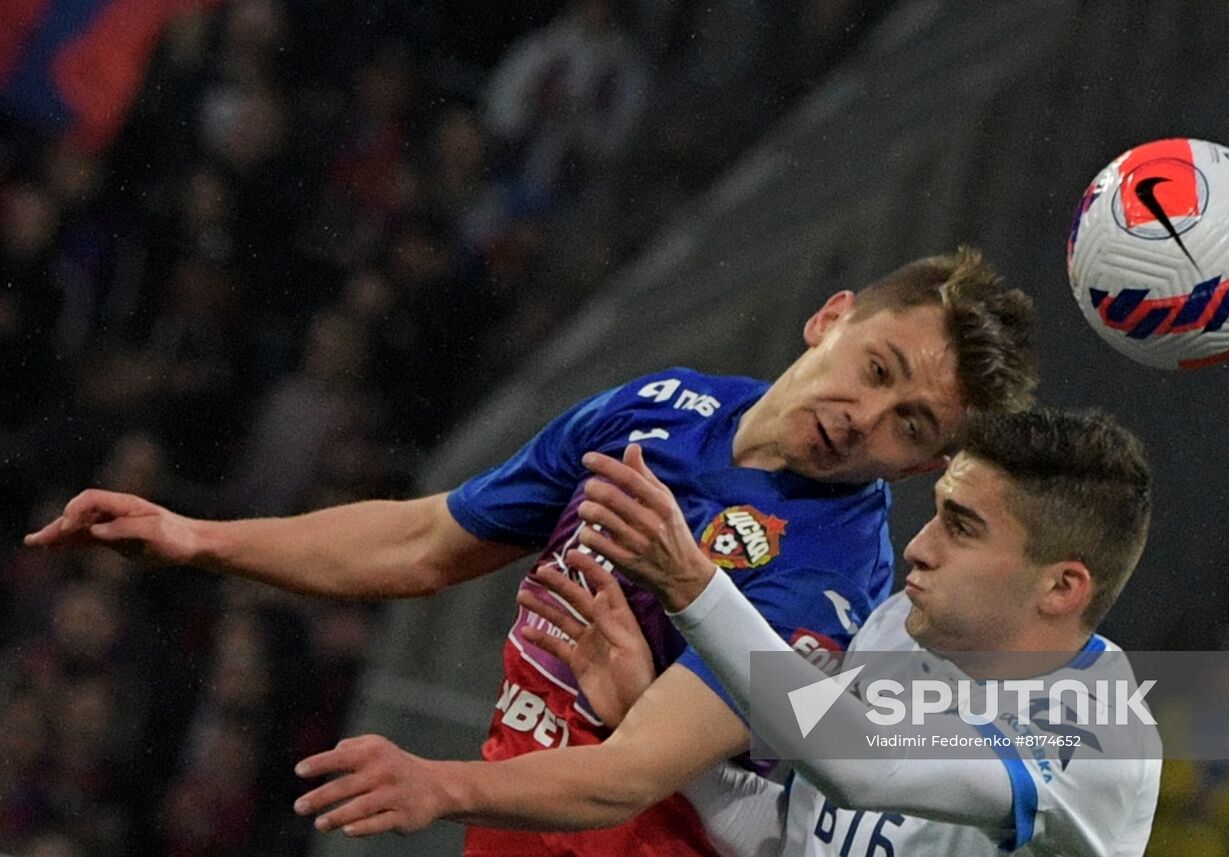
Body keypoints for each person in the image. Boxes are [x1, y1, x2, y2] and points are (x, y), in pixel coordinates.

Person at [26, 248, 1037, 855]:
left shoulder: (821, 569)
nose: (863, 416)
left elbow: (631, 773)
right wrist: (197, 534)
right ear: (831, 316)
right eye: (874, 367)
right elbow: (427, 538)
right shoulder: (659, 406)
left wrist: (440, 781)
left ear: (922, 463)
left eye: (910, 423)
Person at [294, 408, 1159, 856]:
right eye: (935, 512)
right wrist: (654, 718)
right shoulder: (903, 627)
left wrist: (693, 586)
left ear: (1062, 587)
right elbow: (789, 836)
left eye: (963, 528)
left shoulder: (1095, 735)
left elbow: (863, 763)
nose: (919, 546)